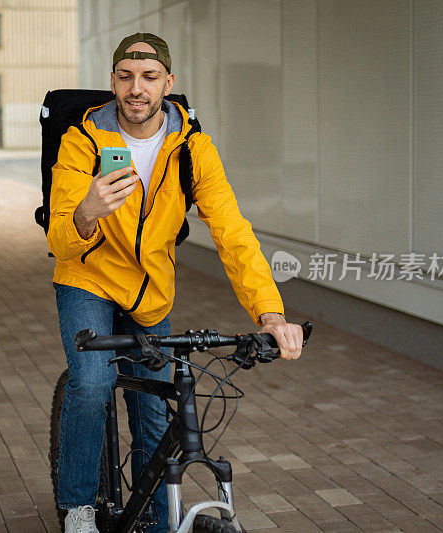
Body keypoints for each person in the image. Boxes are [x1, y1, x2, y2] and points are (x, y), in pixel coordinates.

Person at [48, 32, 304, 533]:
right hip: (87, 278)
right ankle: (78, 505)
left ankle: (152, 517)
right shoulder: (81, 141)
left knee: (154, 402)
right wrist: (86, 212)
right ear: (114, 82)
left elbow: (232, 232)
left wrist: (269, 312)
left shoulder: (193, 149)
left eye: (147, 77)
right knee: (93, 382)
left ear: (169, 81)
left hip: (149, 289)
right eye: (125, 77)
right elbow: (61, 237)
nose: (135, 89)